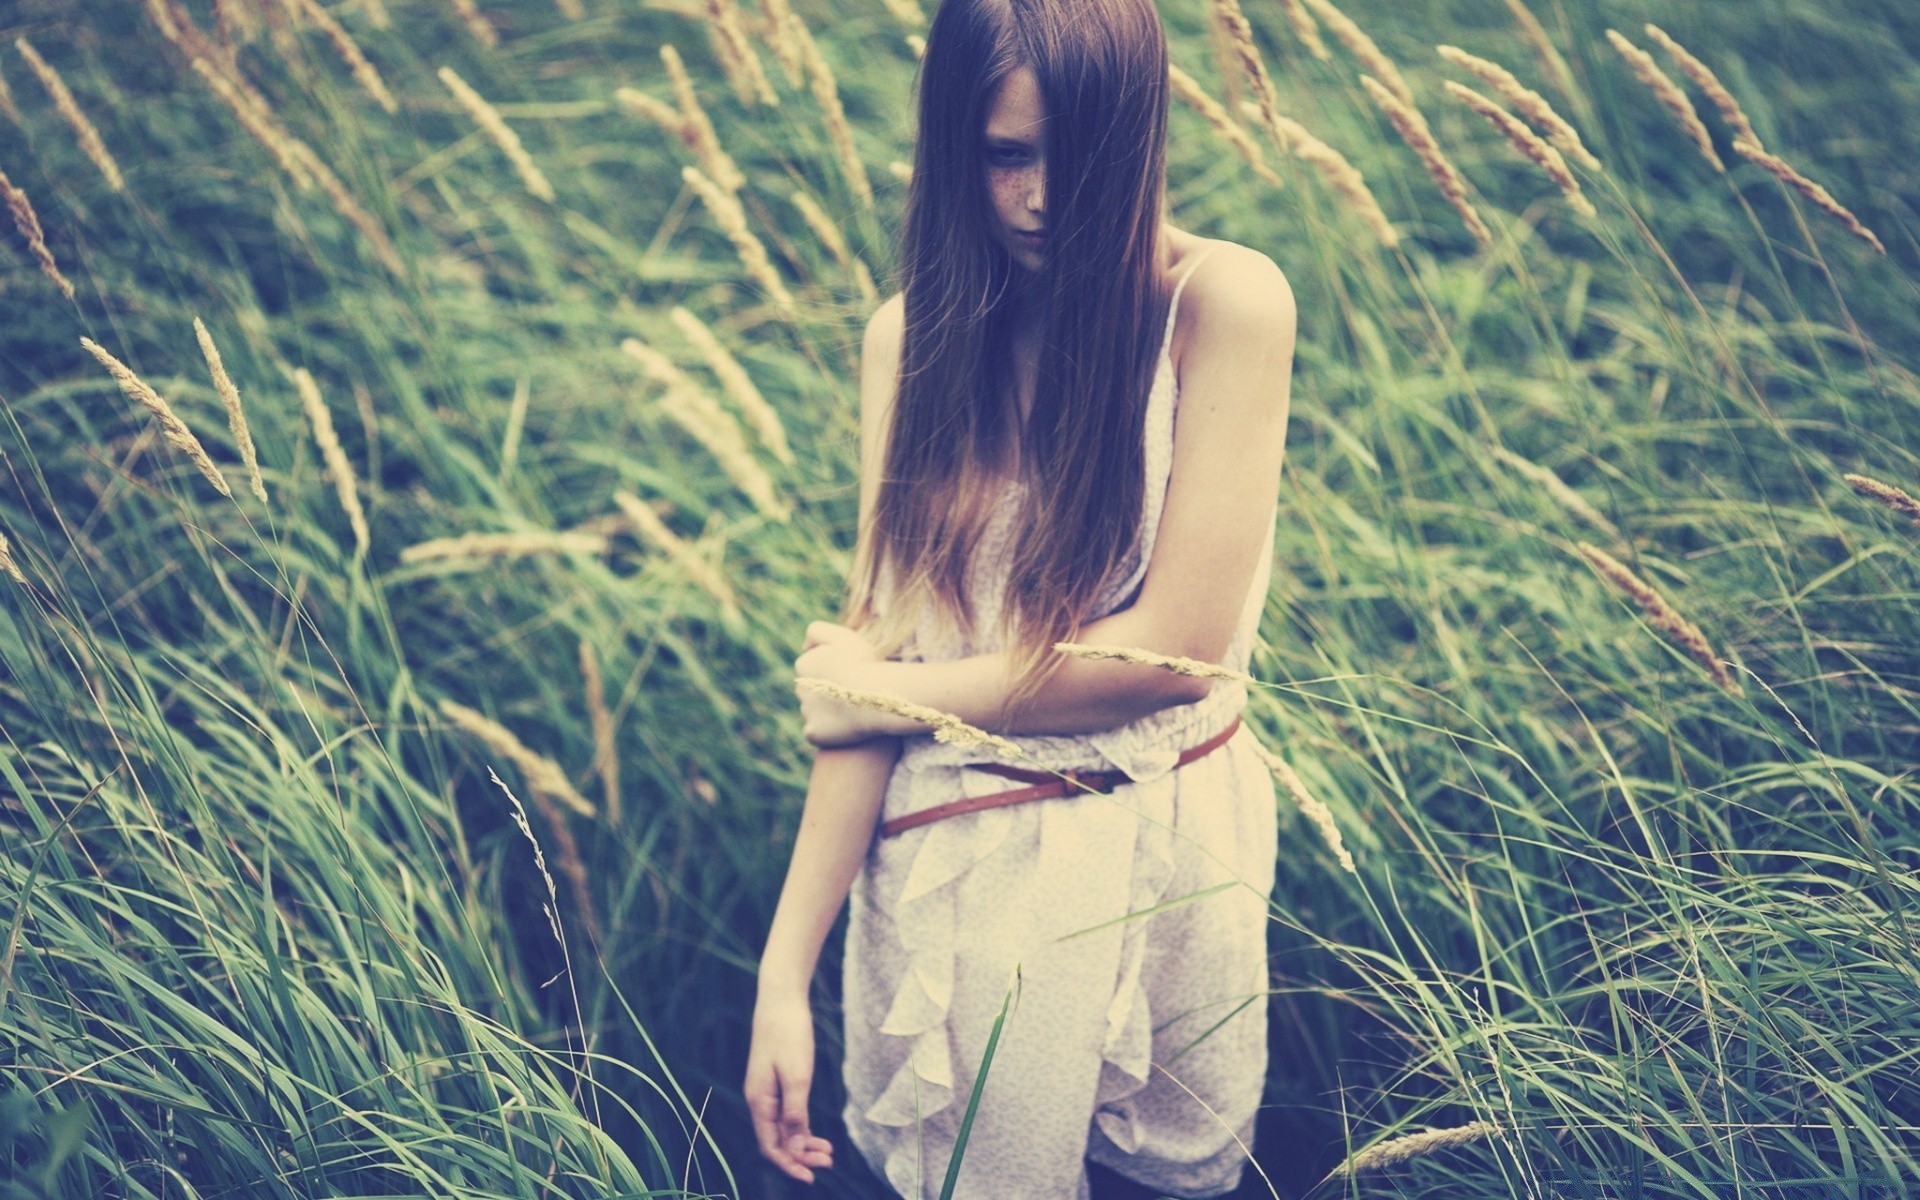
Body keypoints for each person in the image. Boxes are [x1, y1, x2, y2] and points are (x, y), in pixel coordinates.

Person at [743, 0, 1295, 1193]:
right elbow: (873, 682)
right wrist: (785, 974)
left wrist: (884, 695)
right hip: (954, 879)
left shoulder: (1224, 305)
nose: (1042, 195)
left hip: (1161, 870)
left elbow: (1170, 658)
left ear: (1138, 133)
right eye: (1005, 155)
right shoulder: (914, 343)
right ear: (957, 149)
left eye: (1075, 152)